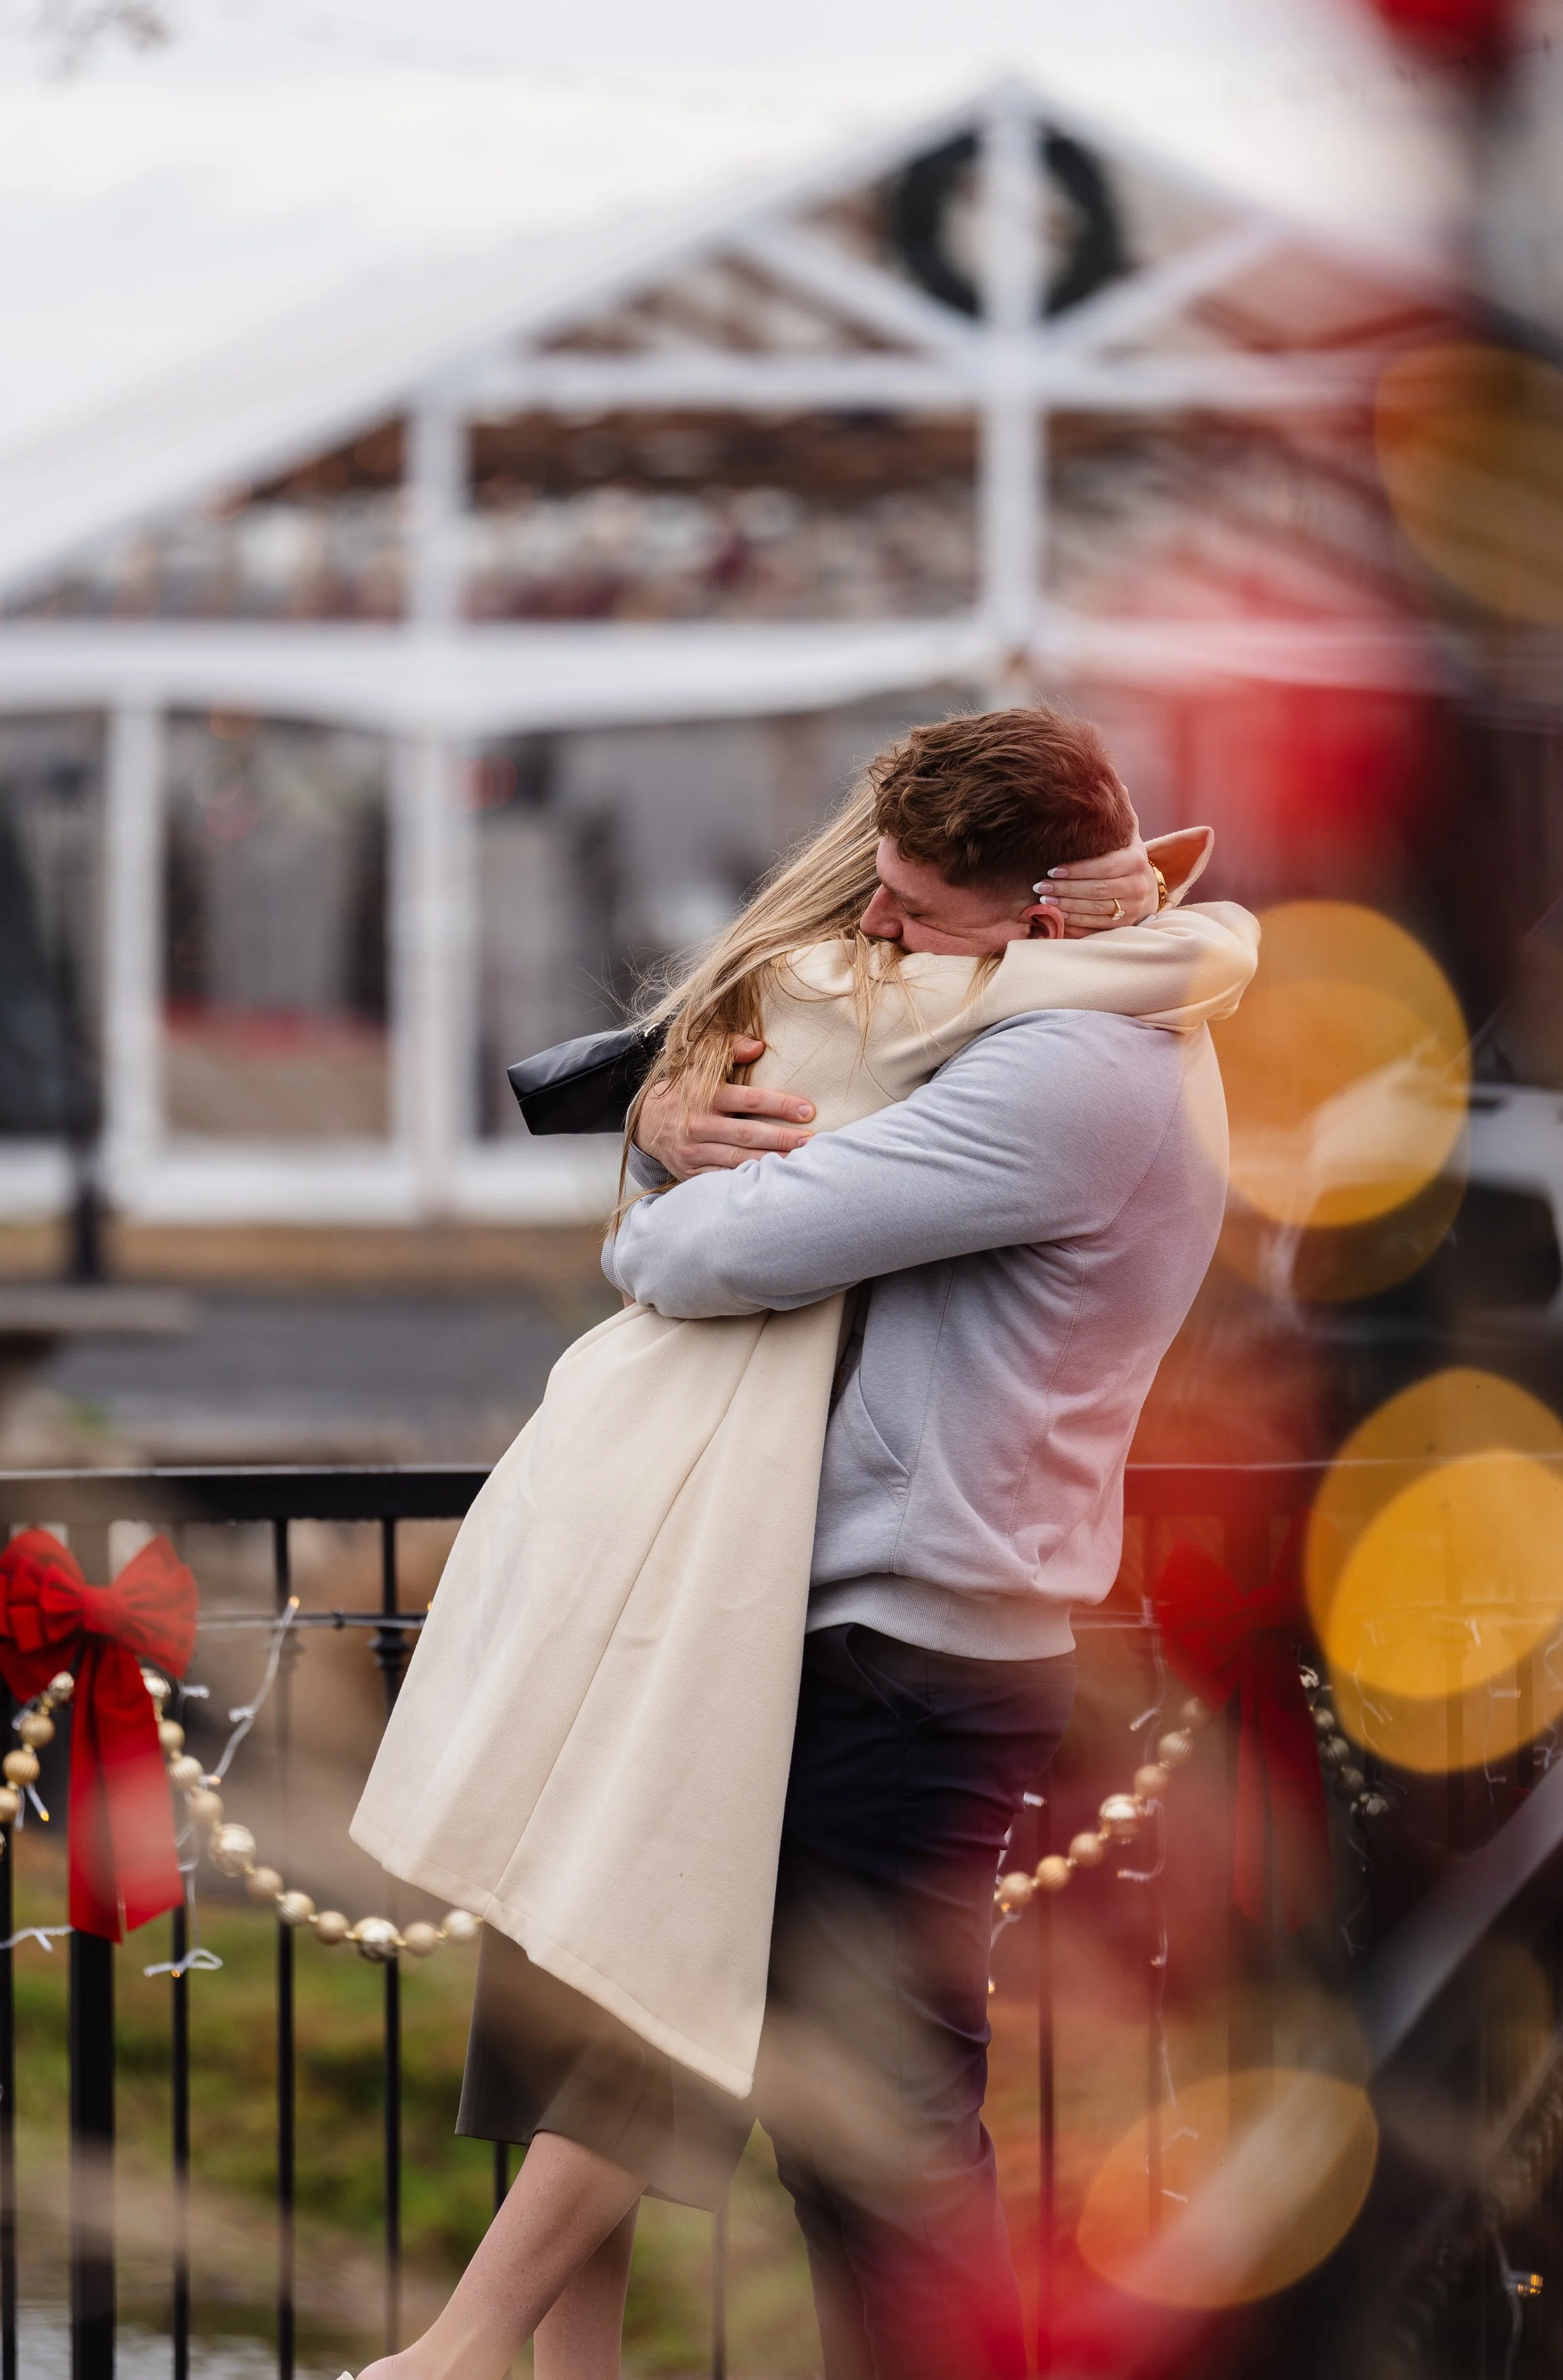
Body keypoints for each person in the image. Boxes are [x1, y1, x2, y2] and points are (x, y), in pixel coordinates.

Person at [350, 708, 1251, 2380]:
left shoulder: (1072, 1069)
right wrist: (669, 1126)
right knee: (665, 1997)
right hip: (844, 1627)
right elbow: (758, 1123)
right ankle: (499, 2352)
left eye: (910, 904)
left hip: (910, 1655)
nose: (878, 931)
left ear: (1044, 910)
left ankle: (469, 2348)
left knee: (877, 2142)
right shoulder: (1039, 1008)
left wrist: (675, 1181)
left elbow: (715, 1256)